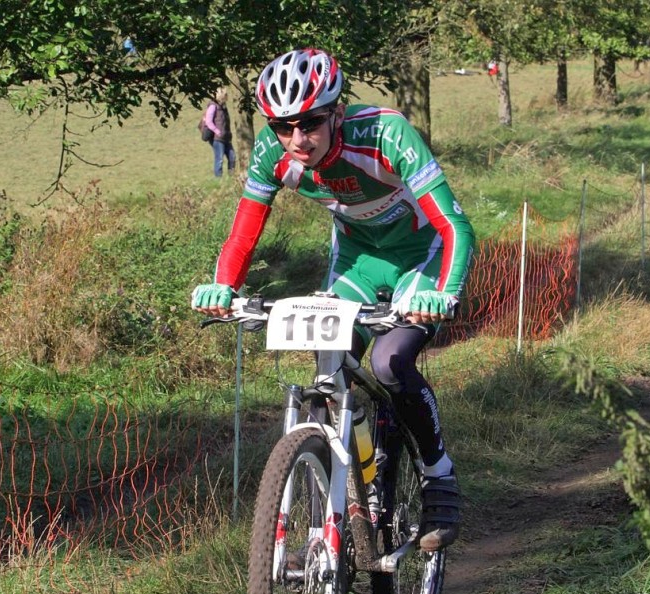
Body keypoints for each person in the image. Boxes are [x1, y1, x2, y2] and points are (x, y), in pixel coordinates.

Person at [191, 48, 475, 552]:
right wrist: (225, 287)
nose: (297, 139)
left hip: (421, 256)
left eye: (311, 123)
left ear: (337, 112)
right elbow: (244, 231)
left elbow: (454, 225)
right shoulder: (270, 151)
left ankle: (438, 473)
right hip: (357, 263)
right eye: (283, 126)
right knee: (331, 368)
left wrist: (443, 294)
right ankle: (359, 480)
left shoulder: (386, 133)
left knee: (389, 363)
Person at [203, 87, 236, 177]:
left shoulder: (223, 106)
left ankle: (232, 177)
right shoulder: (213, 106)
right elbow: (208, 122)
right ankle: (219, 179)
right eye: (223, 94)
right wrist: (217, 131)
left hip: (226, 138)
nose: (225, 96)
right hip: (217, 138)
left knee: (232, 157)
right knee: (219, 159)